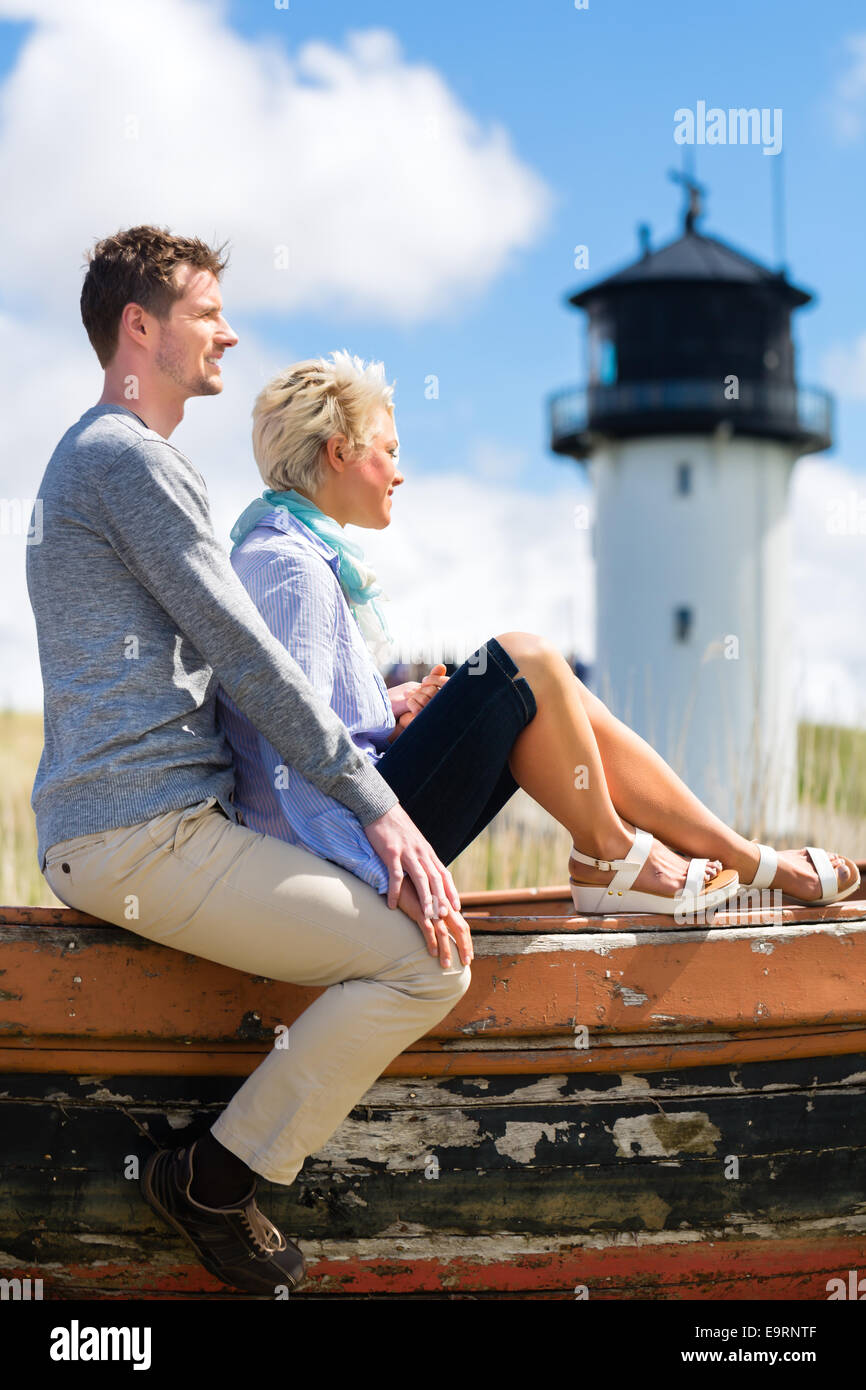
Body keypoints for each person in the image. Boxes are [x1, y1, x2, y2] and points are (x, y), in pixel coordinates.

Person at [25, 227, 474, 1298]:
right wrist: (379, 809)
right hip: (144, 833)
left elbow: (225, 668)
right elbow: (249, 654)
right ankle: (213, 1180)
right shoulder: (128, 460)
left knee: (411, 940)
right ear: (141, 327)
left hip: (135, 827)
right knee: (428, 961)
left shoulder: (101, 458)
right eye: (205, 311)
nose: (227, 330)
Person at [217, 350, 861, 927]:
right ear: (338, 452)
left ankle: (736, 857)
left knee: (548, 688)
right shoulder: (286, 565)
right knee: (522, 659)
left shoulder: (298, 555)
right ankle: (613, 855)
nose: (400, 472)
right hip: (344, 849)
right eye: (390, 450)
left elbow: (311, 717)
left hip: (353, 825)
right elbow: (292, 749)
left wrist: (393, 711)